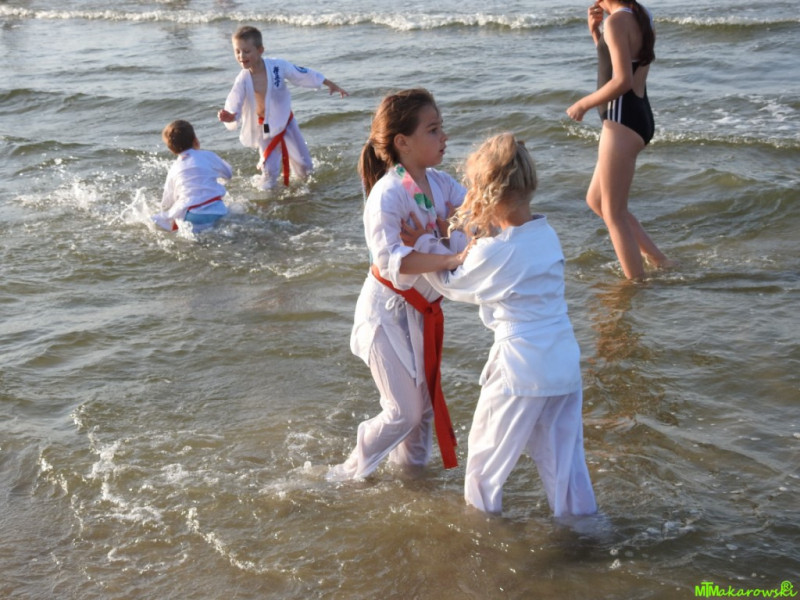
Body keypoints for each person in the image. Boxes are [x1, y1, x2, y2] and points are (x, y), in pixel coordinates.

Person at [421, 132, 597, 517]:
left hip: (520, 366)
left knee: (484, 468)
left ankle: (481, 537)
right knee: (567, 469)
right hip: (563, 361)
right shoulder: (546, 235)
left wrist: (425, 245)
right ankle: (585, 532)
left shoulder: (495, 250)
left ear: (487, 196)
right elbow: (500, 258)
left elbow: (453, 284)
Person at [327, 89, 468, 481]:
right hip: (384, 315)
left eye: (441, 127)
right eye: (433, 130)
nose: (444, 137)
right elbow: (395, 263)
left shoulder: (441, 183)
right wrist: (451, 256)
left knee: (422, 412)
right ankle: (345, 475)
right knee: (403, 412)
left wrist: (444, 231)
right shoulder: (388, 194)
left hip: (421, 313)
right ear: (403, 142)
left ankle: (411, 484)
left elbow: (478, 219)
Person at [566, 0, 672, 280]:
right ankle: (660, 261)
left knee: (613, 212)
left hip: (621, 122)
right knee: (596, 200)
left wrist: (583, 104)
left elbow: (621, 80)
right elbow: (617, 64)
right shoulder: (641, 14)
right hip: (638, 116)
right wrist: (596, 34)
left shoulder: (616, 22)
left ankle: (635, 283)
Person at [217, 25, 348, 190]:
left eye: (246, 51)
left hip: (286, 121)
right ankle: (268, 200)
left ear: (260, 50)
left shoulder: (277, 66)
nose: (241, 56)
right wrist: (230, 116)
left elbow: (301, 73)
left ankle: (305, 193)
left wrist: (328, 83)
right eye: (237, 51)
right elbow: (235, 101)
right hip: (264, 127)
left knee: (305, 166)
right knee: (269, 171)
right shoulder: (243, 79)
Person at [152, 119, 232, 232]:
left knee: (163, 221)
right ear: (195, 140)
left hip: (193, 216)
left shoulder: (174, 168)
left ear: (171, 150)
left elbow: (168, 200)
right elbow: (228, 173)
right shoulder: (208, 155)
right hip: (218, 209)